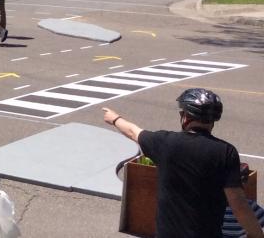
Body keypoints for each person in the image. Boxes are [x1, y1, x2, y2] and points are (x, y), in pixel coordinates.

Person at [102, 90, 264, 238]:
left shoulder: (164, 142)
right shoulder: (226, 152)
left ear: (185, 116)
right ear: (212, 121)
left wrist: (114, 118)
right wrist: (256, 235)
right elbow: (238, 203)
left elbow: (132, 131)